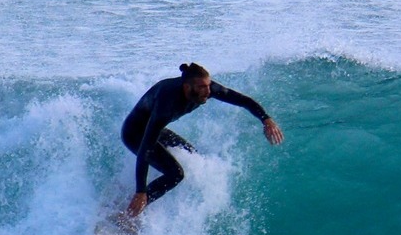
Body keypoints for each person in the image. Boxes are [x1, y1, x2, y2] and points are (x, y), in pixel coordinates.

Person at [120, 63, 282, 220]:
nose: (208, 91)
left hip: (154, 130)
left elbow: (243, 100)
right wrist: (141, 190)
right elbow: (145, 149)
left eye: (208, 85)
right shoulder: (167, 103)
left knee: (192, 155)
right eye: (202, 87)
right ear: (187, 87)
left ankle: (128, 199)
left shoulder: (206, 89)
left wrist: (266, 119)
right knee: (175, 174)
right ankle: (129, 214)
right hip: (134, 134)